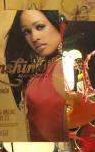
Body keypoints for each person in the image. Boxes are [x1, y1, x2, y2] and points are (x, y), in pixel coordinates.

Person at [5, 9, 68, 141]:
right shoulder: (43, 68)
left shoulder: (63, 66)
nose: (34, 38)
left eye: (40, 27)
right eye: (27, 32)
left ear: (58, 25)